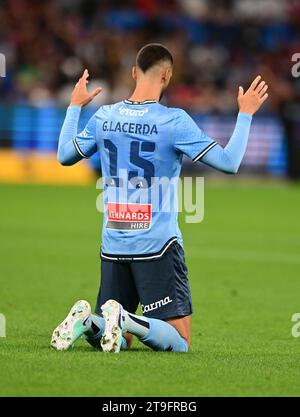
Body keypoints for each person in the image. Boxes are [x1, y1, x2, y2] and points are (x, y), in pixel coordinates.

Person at [51, 43, 268, 353]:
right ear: (167, 74)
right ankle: (125, 319)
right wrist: (245, 114)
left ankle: (89, 322)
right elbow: (229, 162)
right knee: (179, 342)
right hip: (156, 243)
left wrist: (74, 106)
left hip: (113, 240)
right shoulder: (173, 121)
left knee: (117, 342)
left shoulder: (104, 116)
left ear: (133, 72)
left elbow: (64, 155)